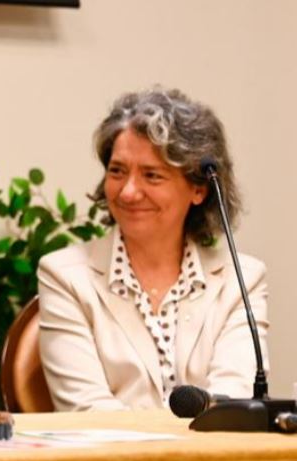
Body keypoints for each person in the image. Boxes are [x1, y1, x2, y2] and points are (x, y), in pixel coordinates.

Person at [36, 87, 267, 411]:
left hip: (212, 460)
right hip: (109, 460)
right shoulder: (64, 276)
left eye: (152, 175)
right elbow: (86, 411)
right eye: (117, 171)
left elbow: (233, 404)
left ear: (198, 189)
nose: (129, 192)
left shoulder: (242, 279)